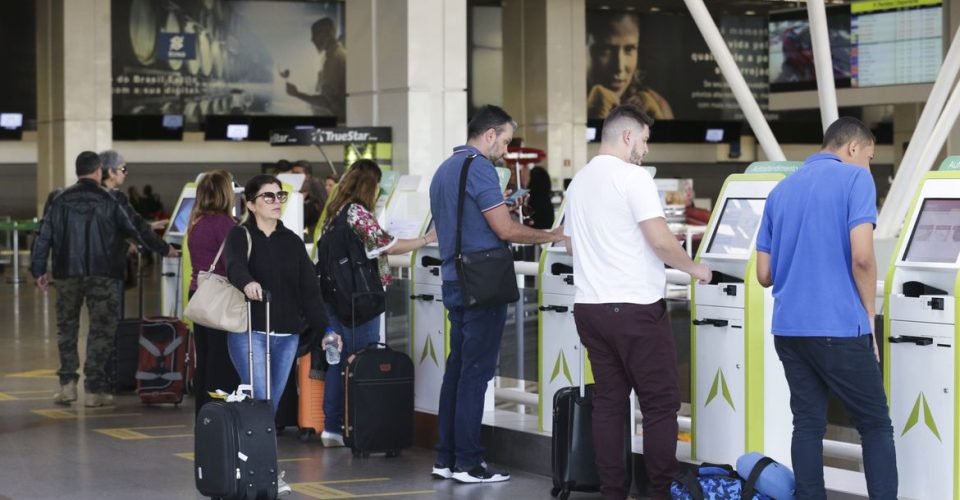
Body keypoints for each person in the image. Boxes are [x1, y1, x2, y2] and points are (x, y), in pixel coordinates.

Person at [563, 104, 711, 500]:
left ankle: (614, 492)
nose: (645, 150)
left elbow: (570, 242)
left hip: (590, 308)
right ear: (627, 136)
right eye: (644, 140)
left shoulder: (579, 182)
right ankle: (661, 492)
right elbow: (661, 241)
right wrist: (696, 269)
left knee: (610, 403)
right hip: (634, 308)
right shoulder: (633, 177)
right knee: (661, 403)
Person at [756, 117, 897, 499]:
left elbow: (764, 274)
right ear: (852, 148)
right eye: (868, 157)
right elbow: (864, 258)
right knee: (875, 425)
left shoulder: (780, 191)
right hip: (838, 327)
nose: (868, 165)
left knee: (806, 424)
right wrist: (869, 317)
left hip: (788, 330)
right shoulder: (856, 181)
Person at [428, 105, 565, 484]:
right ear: (489, 134)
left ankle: (446, 456)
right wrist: (552, 235)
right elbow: (504, 231)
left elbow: (463, 222)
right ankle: (469, 463)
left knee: (457, 372)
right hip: (482, 285)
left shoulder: (445, 169)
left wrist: (502, 206)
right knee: (475, 374)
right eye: (504, 140)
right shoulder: (481, 169)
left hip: (455, 280)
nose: (505, 149)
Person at [224, 174, 341, 496]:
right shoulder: (240, 235)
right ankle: (264, 472)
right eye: (268, 197)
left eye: (280, 197)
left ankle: (250, 465)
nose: (276, 202)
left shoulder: (291, 241)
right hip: (250, 332)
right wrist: (246, 282)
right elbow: (233, 266)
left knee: (269, 408)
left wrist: (326, 330)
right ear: (250, 203)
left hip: (287, 335)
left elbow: (310, 292)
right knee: (262, 404)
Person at [317, 159, 437, 447]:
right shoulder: (358, 212)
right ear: (370, 186)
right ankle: (360, 426)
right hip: (360, 301)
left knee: (337, 363)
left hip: (334, 299)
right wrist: (426, 238)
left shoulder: (334, 213)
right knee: (362, 361)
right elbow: (386, 245)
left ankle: (332, 427)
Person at [30, 151, 147, 407]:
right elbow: (133, 229)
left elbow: (43, 235)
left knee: (66, 329)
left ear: (77, 171)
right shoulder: (110, 199)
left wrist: (38, 270)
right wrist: (155, 247)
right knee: (101, 329)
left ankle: (68, 386)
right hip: (103, 274)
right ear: (98, 171)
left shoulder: (59, 199)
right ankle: (95, 389)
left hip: (66, 273)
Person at [186, 170, 241, 417]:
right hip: (221, 298)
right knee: (223, 360)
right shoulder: (226, 225)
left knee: (205, 359)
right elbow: (235, 264)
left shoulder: (195, 223)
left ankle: (204, 412)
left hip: (199, 294)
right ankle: (222, 412)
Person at [99, 150, 177, 314]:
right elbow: (134, 227)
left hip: (92, 270)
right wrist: (165, 248)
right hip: (111, 269)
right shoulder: (115, 197)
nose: (126, 173)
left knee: (100, 320)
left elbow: (108, 229)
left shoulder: (93, 196)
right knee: (113, 321)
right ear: (111, 172)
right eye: (123, 169)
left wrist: (148, 226)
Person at [587, 12, 673, 120]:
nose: (619, 67)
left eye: (629, 49)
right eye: (606, 50)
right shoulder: (563, 99)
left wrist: (659, 123)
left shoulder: (657, 103)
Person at [285, 17, 346, 123]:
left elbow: (325, 102)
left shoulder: (334, 59)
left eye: (315, 34)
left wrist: (296, 94)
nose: (312, 39)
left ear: (328, 34)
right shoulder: (336, 55)